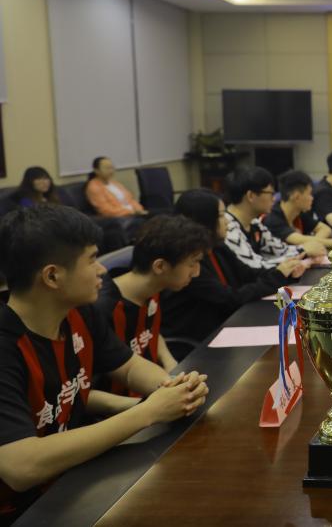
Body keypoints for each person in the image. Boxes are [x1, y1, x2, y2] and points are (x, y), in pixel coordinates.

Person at [0, 206, 208, 519]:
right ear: (52, 276)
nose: (102, 270)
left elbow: (128, 366)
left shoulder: (79, 313)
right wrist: (148, 412)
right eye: (92, 259)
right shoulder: (6, 346)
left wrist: (175, 387)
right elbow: (21, 466)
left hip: (74, 481)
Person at [164, 189, 305, 349]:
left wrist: (286, 272)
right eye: (221, 216)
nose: (227, 222)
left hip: (228, 326)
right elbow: (230, 298)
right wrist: (278, 275)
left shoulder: (217, 246)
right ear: (203, 221)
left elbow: (248, 273)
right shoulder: (190, 263)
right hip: (201, 341)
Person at [95, 215, 209, 384]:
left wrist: (169, 362)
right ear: (160, 266)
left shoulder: (155, 287)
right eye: (192, 264)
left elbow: (150, 331)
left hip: (155, 384)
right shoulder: (102, 308)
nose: (197, 273)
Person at [224, 167, 319, 270]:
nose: (274, 199)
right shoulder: (228, 228)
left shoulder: (254, 224)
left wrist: (303, 250)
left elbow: (280, 250)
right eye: (271, 194)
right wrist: (303, 252)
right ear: (251, 196)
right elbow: (255, 267)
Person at [264, 171, 332, 250]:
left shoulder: (298, 212)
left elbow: (325, 229)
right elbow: (300, 240)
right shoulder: (273, 219)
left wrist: (313, 243)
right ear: (296, 197)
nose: (312, 198)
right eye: (309, 194)